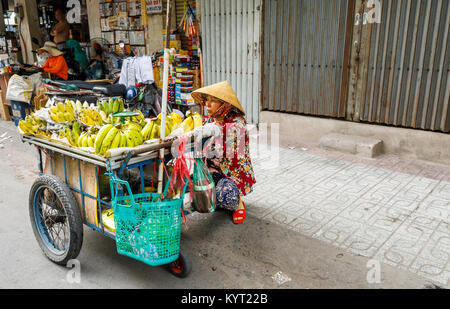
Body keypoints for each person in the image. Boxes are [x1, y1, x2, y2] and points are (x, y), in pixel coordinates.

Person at [191, 81, 256, 224]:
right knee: (191, 183)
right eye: (206, 100)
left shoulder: (237, 122)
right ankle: (215, 198)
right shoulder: (210, 119)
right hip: (212, 170)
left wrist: (215, 130)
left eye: (212, 101)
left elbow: (231, 145)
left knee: (224, 195)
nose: (207, 105)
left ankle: (238, 203)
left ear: (224, 104)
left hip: (232, 174)